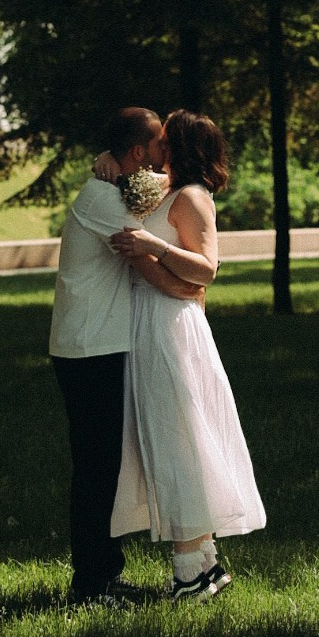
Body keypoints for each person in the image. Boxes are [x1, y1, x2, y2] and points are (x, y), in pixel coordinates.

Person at [103, 109, 266, 601]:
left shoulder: (193, 196)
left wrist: (151, 247)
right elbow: (116, 164)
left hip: (170, 330)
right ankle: (204, 566)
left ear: (180, 146)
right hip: (149, 318)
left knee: (180, 439)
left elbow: (206, 270)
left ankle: (190, 573)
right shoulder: (161, 187)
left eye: (165, 138)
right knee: (170, 436)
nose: (156, 144)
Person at [49, 106, 203, 606]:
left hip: (100, 344)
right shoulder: (102, 200)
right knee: (96, 468)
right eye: (159, 145)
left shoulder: (112, 188)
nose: (165, 154)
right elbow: (156, 221)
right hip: (89, 347)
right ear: (138, 152)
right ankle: (92, 586)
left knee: (105, 466)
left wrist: (109, 158)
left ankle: (103, 577)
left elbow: (162, 189)